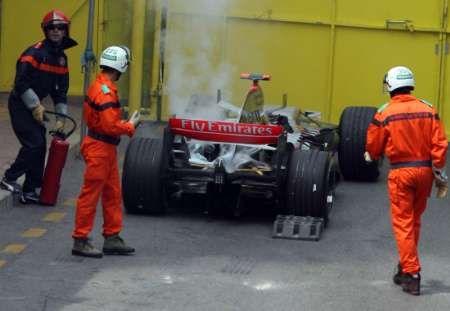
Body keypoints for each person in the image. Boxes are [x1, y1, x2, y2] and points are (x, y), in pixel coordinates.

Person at [365, 66, 448, 295]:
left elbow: (374, 144)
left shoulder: (385, 112)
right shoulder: (428, 109)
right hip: (424, 174)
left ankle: (411, 274)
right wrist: (438, 169)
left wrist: (371, 155)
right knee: (414, 221)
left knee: (403, 223)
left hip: (401, 173)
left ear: (390, 85)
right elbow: (440, 143)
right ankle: (405, 263)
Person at [0, 10, 77, 204]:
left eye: (60, 27)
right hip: (20, 104)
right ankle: (8, 178)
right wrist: (35, 106)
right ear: (45, 30)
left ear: (66, 30)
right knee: (34, 143)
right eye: (51, 27)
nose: (56, 31)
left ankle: (30, 190)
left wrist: (61, 119)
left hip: (37, 107)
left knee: (40, 146)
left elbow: (60, 92)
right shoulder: (34, 53)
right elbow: (21, 83)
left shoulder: (61, 59)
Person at [71, 46, 141, 258]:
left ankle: (112, 237)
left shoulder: (101, 86)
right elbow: (110, 125)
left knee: (112, 193)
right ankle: (81, 240)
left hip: (104, 147)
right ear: (121, 66)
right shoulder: (105, 91)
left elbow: (105, 123)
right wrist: (130, 126)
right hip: (100, 148)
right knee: (90, 195)